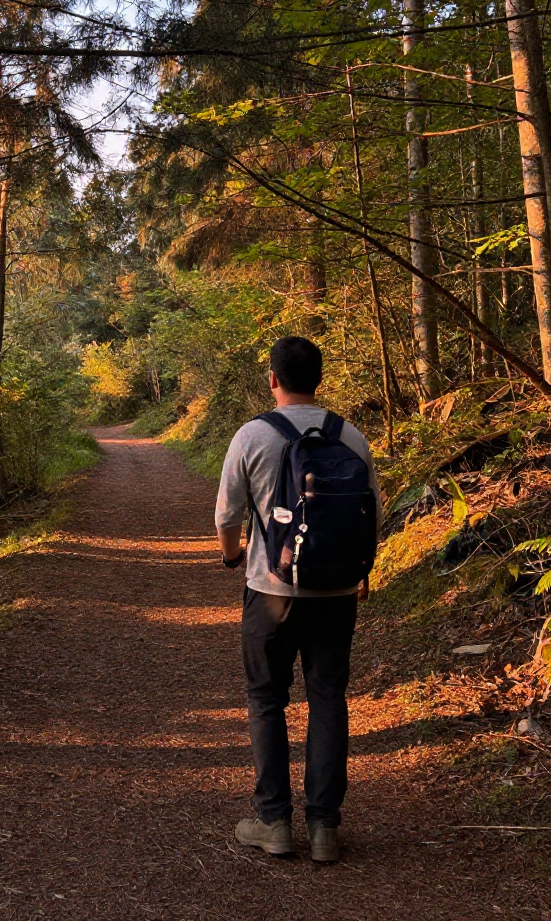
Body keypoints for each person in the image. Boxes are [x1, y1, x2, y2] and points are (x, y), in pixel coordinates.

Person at [215, 335, 382, 862]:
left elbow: (226, 515)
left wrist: (231, 556)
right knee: (327, 698)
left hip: (271, 591)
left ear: (272, 379)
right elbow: (373, 515)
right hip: (336, 591)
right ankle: (325, 829)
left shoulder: (252, 435)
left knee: (267, 700)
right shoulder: (350, 435)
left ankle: (273, 823)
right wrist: (359, 569)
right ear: (320, 380)